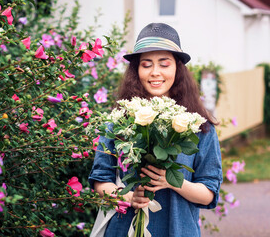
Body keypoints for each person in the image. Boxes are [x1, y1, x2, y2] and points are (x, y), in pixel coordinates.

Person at [88, 23, 223, 237]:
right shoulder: (119, 121)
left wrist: (171, 181)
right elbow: (100, 179)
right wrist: (129, 198)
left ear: (177, 68)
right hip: (124, 230)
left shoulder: (199, 126)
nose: (155, 73)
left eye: (164, 64)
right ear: (137, 70)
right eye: (146, 64)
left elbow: (208, 194)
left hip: (178, 230)